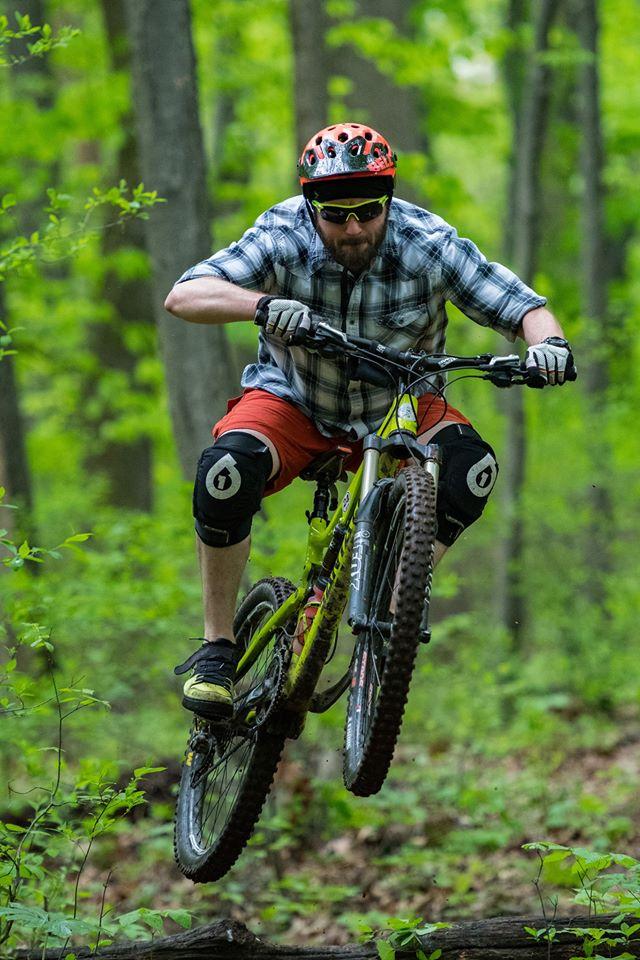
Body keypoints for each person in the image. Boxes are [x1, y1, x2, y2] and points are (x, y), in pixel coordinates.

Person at [165, 121, 574, 720]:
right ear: (312, 206)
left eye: (368, 211)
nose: (353, 227)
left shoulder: (428, 241)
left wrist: (550, 348)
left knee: (474, 468)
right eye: (336, 215)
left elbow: (520, 305)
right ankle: (217, 647)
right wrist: (264, 305)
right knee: (224, 471)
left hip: (402, 404)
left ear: (388, 199)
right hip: (296, 399)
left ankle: (391, 607)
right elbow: (185, 295)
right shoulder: (282, 232)